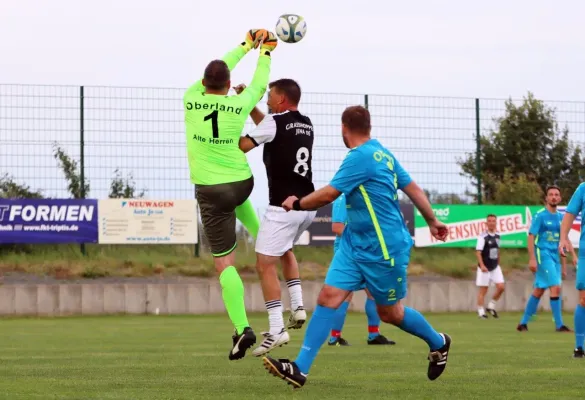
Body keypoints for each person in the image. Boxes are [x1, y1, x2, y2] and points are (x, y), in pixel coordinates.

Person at [261, 105, 452, 389]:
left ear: (344, 128)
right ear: (369, 126)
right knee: (328, 297)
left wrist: (297, 203)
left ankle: (439, 342)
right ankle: (300, 369)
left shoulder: (360, 157)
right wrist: (433, 220)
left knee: (391, 314)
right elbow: (414, 189)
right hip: (354, 244)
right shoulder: (382, 154)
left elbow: (329, 193)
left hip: (384, 249)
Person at [183, 29, 277, 360]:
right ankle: (269, 242)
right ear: (227, 84)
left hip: (212, 191)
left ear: (205, 81)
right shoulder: (238, 105)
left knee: (224, 263)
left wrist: (246, 43)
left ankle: (242, 328)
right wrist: (265, 51)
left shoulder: (190, 98)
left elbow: (221, 67)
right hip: (242, 181)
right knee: (239, 203)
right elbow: (259, 85)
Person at [236, 79, 316, 356]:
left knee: (263, 264)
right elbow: (270, 126)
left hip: (282, 208)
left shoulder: (275, 123)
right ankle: (298, 307)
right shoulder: (305, 122)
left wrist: (223, 134)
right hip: (306, 204)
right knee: (285, 251)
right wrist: (252, 109)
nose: (268, 99)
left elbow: (244, 145)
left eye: (270, 96)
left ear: (281, 99)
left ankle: (276, 329)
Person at [328, 193, 396, 345]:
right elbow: (337, 227)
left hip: (366, 252)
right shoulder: (342, 198)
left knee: (374, 292)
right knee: (345, 294)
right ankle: (335, 337)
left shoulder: (364, 198)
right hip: (348, 253)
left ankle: (373, 335)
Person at [517, 186, 572, 333]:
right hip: (543, 255)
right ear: (546, 198)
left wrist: (564, 265)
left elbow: (563, 240)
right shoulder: (540, 215)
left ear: (560, 199)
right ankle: (559, 325)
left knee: (539, 290)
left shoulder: (561, 218)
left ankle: (523, 323)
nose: (554, 197)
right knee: (556, 287)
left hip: (555, 257)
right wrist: (532, 259)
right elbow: (531, 236)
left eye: (556, 195)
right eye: (551, 195)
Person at [559, 182, 585, 358]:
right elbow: (569, 215)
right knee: (584, 299)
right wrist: (563, 238)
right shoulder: (583, 188)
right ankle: (579, 347)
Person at [475, 214, 505, 319]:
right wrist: (482, 265)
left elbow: (498, 250)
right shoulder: (483, 237)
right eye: (489, 221)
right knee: (484, 289)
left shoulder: (498, 235)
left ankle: (491, 306)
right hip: (485, 267)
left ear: (496, 222)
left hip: (495, 266)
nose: (492, 222)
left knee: (501, 287)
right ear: (486, 223)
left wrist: (498, 262)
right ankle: (481, 312)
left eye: (493, 221)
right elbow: (478, 252)